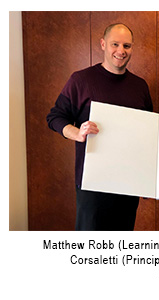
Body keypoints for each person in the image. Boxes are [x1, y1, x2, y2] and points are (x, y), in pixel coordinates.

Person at [47, 23, 153, 231]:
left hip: (129, 181)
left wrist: (146, 178)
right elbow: (55, 117)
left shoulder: (140, 86)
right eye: (115, 44)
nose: (121, 51)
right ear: (103, 44)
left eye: (127, 46)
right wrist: (77, 133)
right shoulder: (81, 80)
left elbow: (147, 136)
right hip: (92, 182)